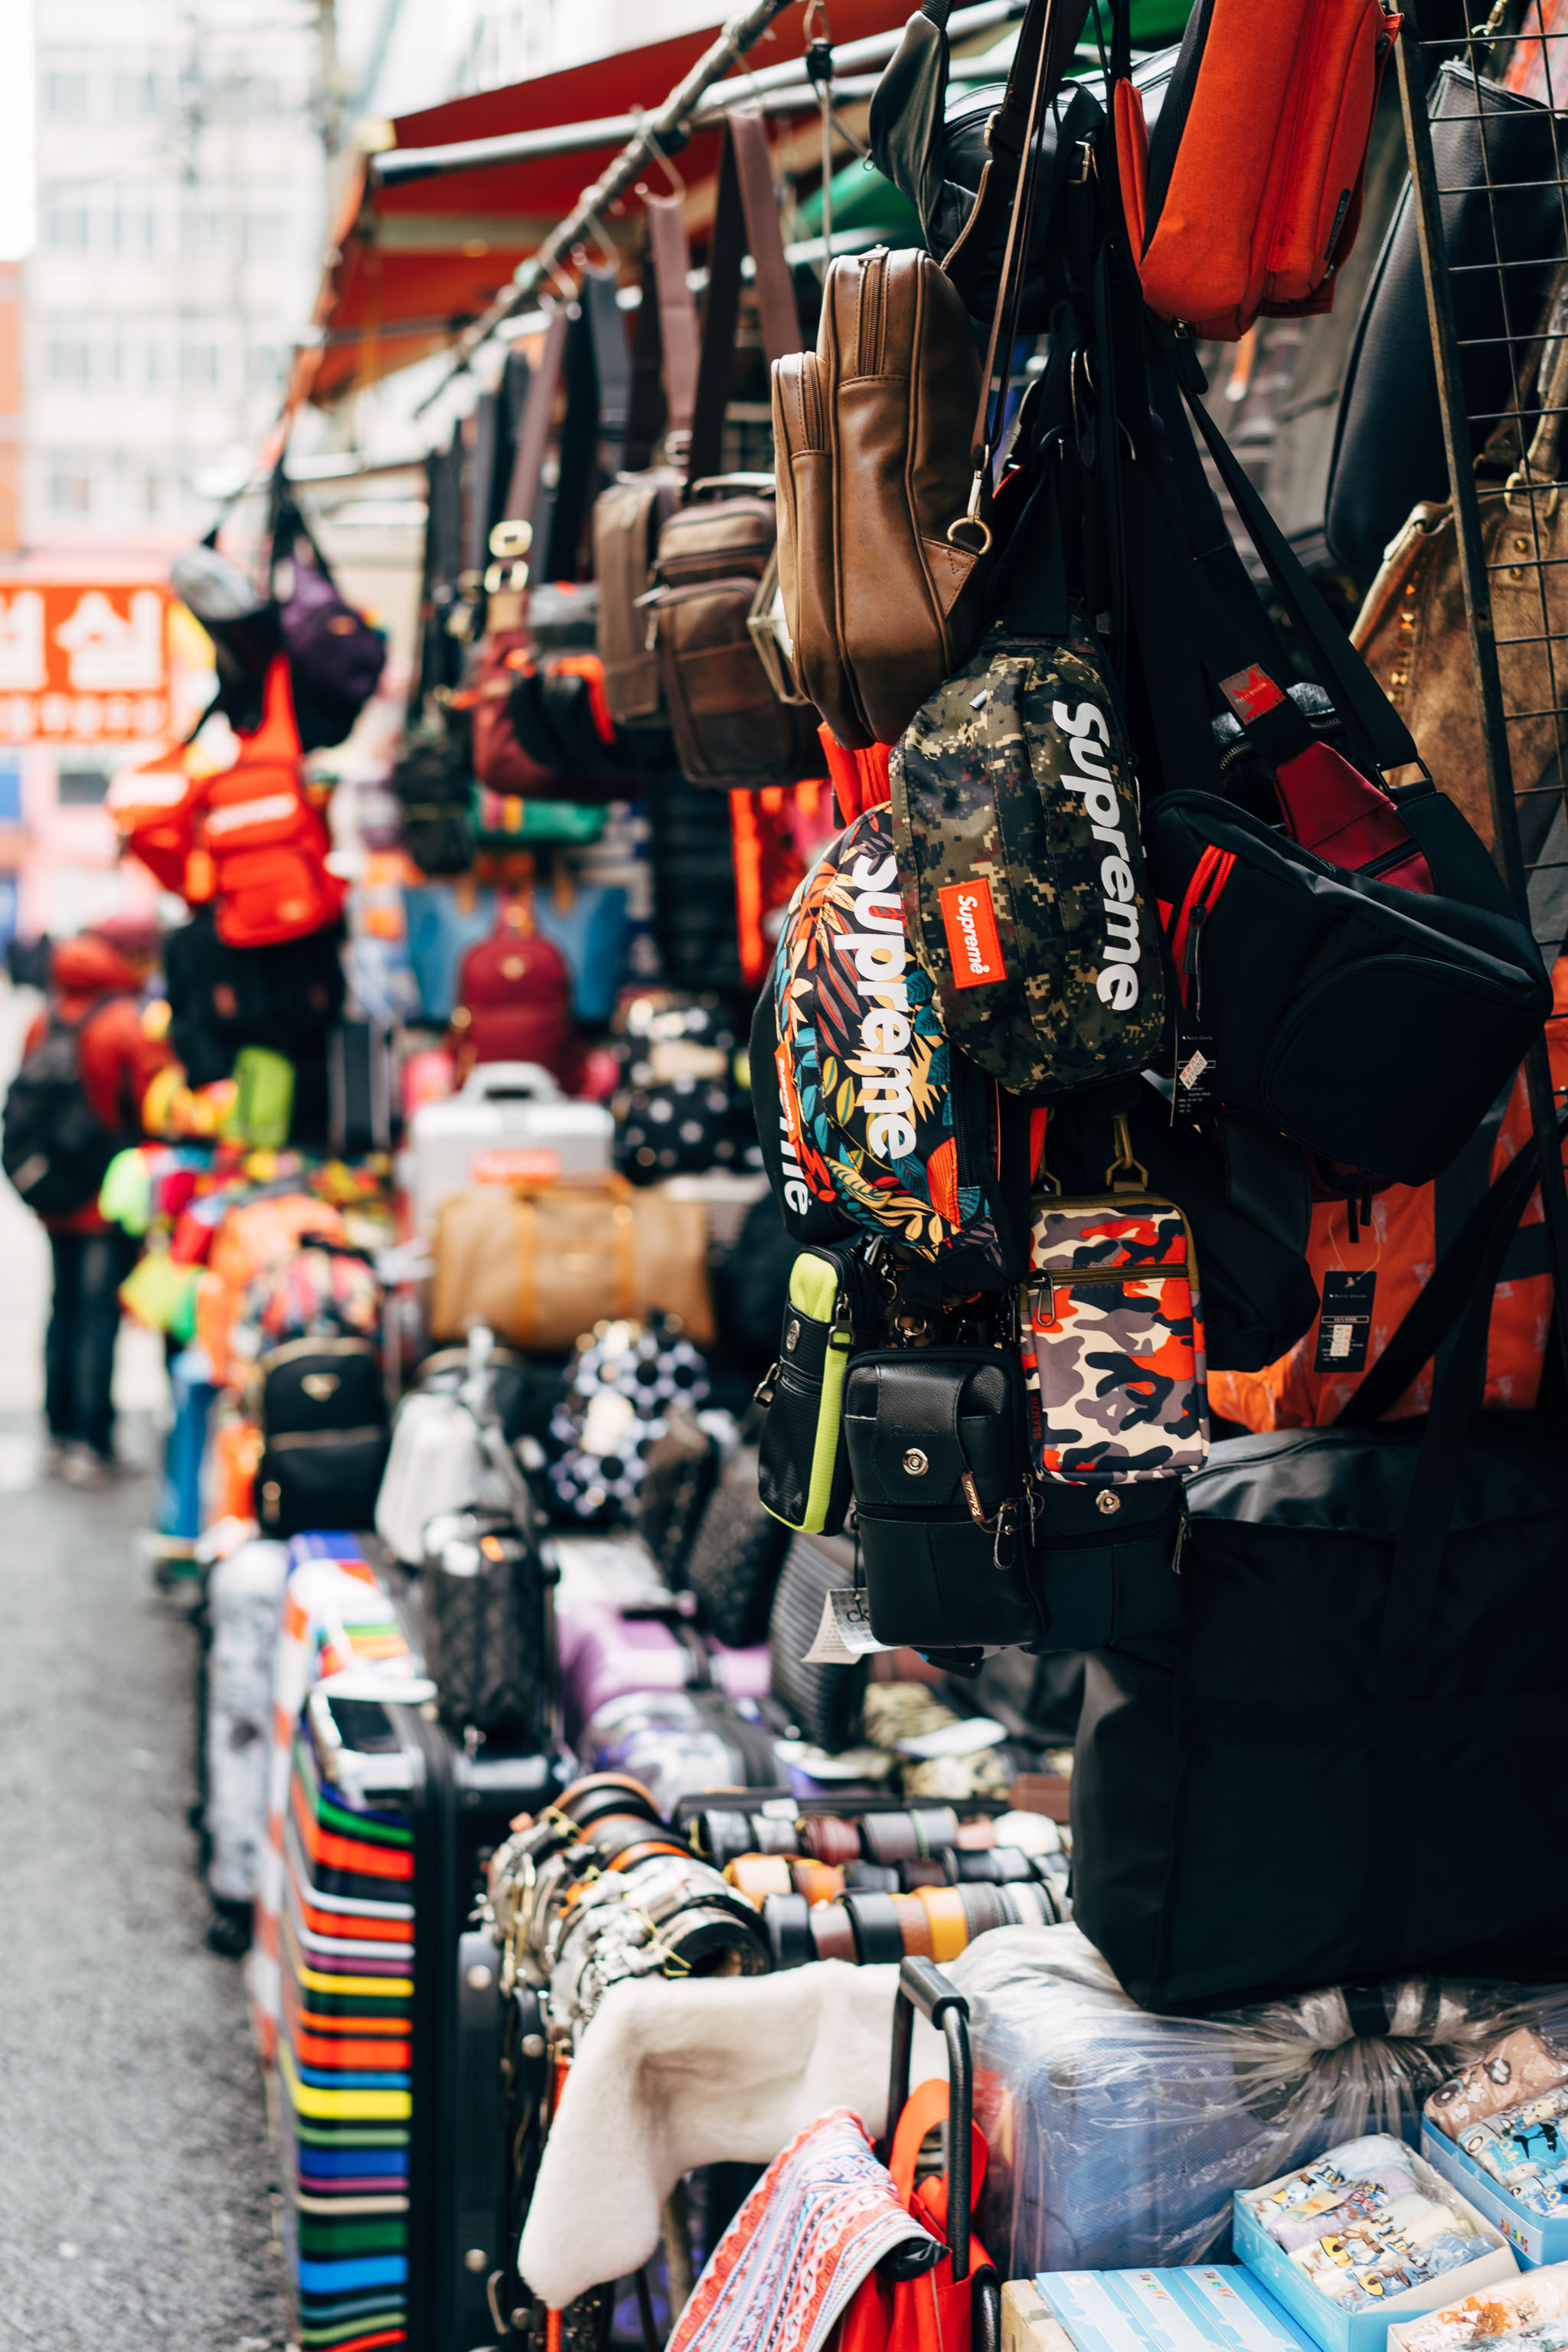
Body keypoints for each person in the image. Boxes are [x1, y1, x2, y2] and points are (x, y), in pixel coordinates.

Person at [19, 914, 175, 1484]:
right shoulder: (125, 1023)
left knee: (62, 1308)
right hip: (110, 1195)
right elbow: (150, 1104)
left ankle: (59, 1431)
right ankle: (93, 1436)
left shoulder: (46, 1019)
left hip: (54, 1191)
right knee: (97, 1317)